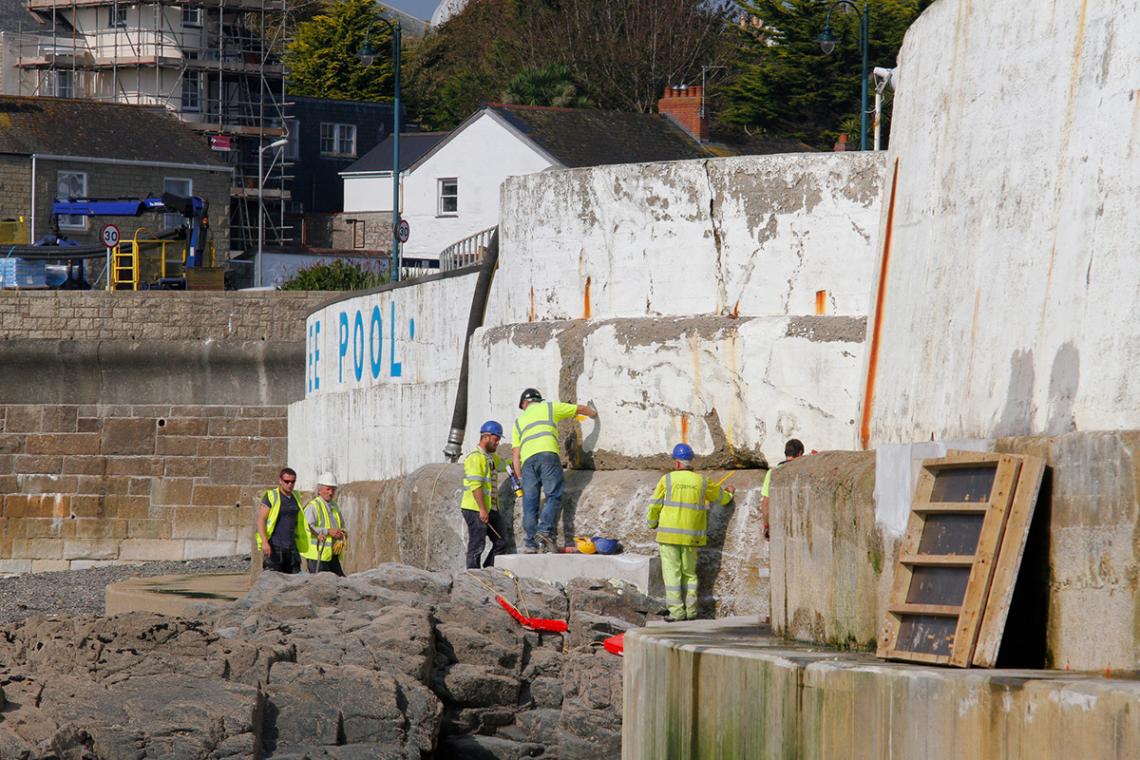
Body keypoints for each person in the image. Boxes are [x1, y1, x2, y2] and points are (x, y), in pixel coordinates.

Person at [647, 443, 735, 622]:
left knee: (672, 573)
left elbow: (655, 504)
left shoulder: (667, 480)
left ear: (677, 463)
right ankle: (692, 611)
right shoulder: (701, 481)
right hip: (691, 537)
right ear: (689, 462)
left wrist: (652, 523)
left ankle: (676, 612)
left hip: (669, 536)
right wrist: (730, 494)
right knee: (689, 573)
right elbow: (721, 498)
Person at [511, 387, 598, 553]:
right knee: (554, 495)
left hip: (527, 463)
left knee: (529, 503)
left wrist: (520, 477)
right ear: (537, 400)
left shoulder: (518, 422)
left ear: (524, 403)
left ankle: (530, 544)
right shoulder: (549, 407)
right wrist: (593, 413)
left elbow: (516, 454)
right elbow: (578, 409)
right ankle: (544, 531)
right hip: (547, 456)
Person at [461, 421, 509, 569]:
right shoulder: (476, 458)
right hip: (475, 508)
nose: (498, 442)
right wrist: (482, 509)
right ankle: (473, 576)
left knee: (502, 541)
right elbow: (476, 486)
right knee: (477, 543)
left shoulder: (490, 458)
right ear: (486, 437)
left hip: (489, 508)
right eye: (496, 439)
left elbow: (505, 465)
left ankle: (488, 570)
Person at [256, 467, 305, 574]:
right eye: (287, 481)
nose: (290, 484)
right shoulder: (272, 496)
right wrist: (264, 542)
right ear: (280, 481)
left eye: (293, 482)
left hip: (292, 547)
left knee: (295, 583)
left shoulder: (296, 496)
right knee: (271, 582)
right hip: (275, 546)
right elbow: (261, 520)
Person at [301, 472, 348, 576]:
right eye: (328, 489)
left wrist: (342, 533)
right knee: (320, 587)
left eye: (333, 489)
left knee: (341, 583)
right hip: (317, 556)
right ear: (320, 490)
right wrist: (327, 531)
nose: (331, 492)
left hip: (331, 555)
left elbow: (342, 525)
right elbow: (308, 527)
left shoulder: (334, 506)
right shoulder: (313, 506)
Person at [761, 438, 806, 539]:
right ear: (800, 453)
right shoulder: (804, 471)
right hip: (801, 527)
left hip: (780, 527)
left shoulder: (772, 473)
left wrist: (766, 525)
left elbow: (765, 503)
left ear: (785, 453)